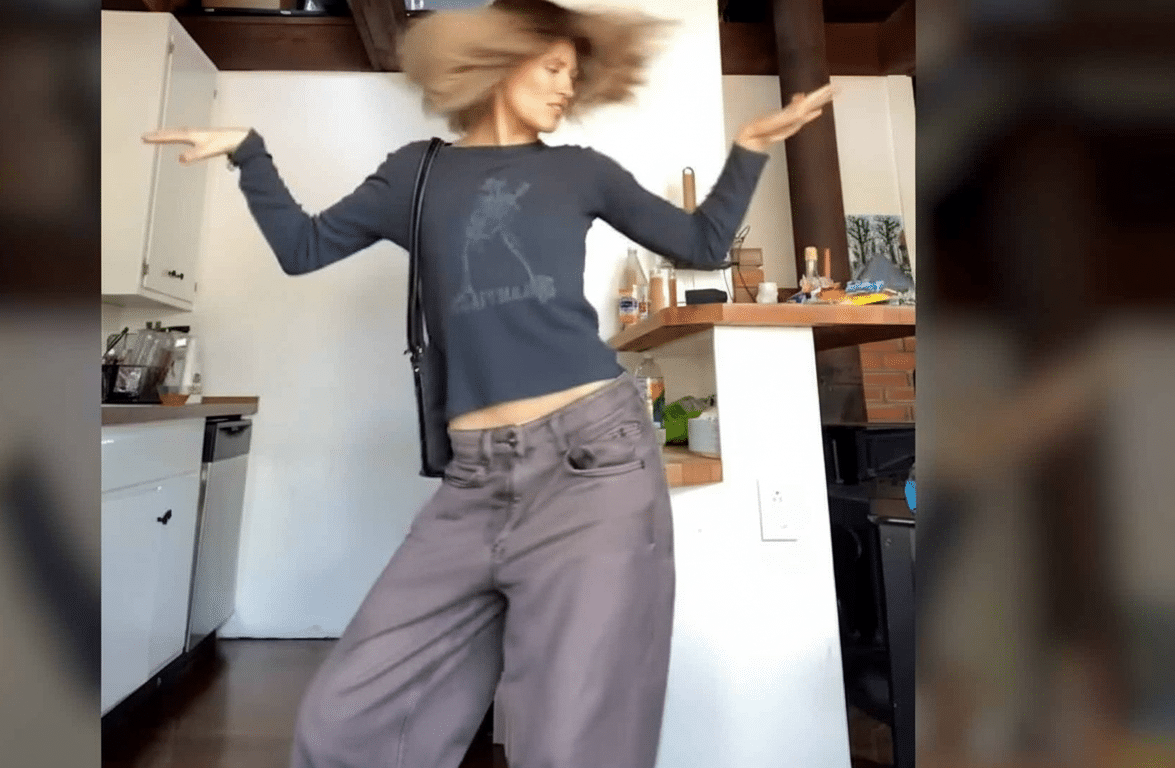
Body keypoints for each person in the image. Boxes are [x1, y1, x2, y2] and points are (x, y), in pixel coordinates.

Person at [144, 1, 832, 765]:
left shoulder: (580, 171)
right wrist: (250, 152)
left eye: (575, 73)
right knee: (346, 723)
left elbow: (702, 242)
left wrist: (748, 148)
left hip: (591, 469)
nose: (568, 86)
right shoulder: (417, 173)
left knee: (569, 744)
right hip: (474, 484)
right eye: (554, 67)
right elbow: (303, 247)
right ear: (503, 58)